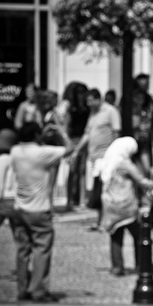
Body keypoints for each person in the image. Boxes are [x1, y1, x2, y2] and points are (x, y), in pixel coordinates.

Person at [10, 122, 73, 302]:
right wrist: (61, 131)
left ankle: (22, 289)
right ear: (37, 135)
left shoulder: (15, 151)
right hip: (38, 209)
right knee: (41, 250)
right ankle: (38, 290)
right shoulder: (42, 153)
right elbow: (69, 148)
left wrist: (41, 136)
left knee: (23, 250)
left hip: (19, 208)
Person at [100, 137, 153, 276]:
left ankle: (117, 267)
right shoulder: (125, 164)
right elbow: (142, 181)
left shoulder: (109, 161)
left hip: (111, 205)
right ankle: (141, 264)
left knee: (116, 236)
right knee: (139, 234)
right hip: (126, 206)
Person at [72, 88, 122, 231]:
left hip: (105, 157)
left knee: (105, 190)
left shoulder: (110, 111)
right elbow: (87, 134)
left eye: (90, 101)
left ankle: (107, 221)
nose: (88, 104)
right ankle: (100, 220)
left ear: (98, 99)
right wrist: (76, 151)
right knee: (96, 191)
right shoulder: (93, 113)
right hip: (93, 157)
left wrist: (114, 155)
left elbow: (116, 132)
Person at [58, 82, 89, 210]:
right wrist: (67, 142)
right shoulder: (69, 107)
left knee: (82, 171)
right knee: (72, 170)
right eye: (79, 93)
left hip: (84, 140)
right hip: (72, 140)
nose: (81, 95)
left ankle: (81, 200)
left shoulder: (86, 108)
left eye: (83, 93)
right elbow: (64, 124)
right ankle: (70, 200)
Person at [0, 152, 18, 257]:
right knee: (20, 239)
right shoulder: (19, 156)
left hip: (5, 200)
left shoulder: (2, 159)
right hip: (19, 201)